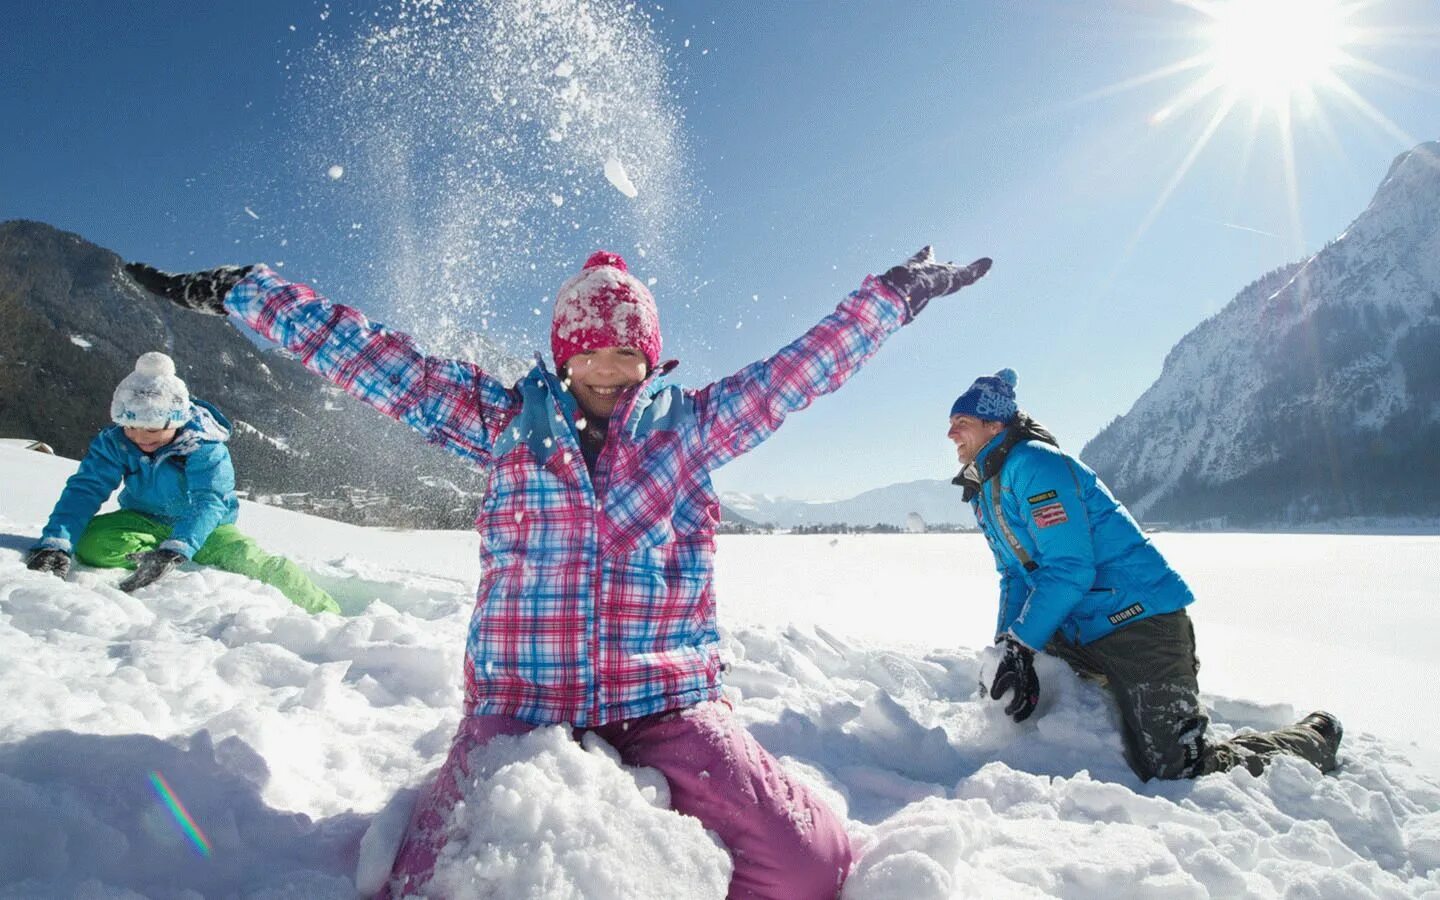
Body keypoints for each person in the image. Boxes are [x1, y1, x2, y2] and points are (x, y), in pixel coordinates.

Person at [125, 245, 992, 898]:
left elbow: (806, 368)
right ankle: (441, 799)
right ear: (562, 358)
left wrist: (895, 295)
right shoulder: (500, 421)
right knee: (427, 885)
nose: (610, 378)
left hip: (666, 706)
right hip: (522, 708)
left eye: (627, 360)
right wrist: (244, 291)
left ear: (652, 361)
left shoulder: (691, 428)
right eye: (591, 359)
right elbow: (369, 359)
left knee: (811, 868)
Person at [947, 368, 1342, 781]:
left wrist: (1023, 645)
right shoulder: (986, 489)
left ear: (994, 425)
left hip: (1140, 624)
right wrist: (1007, 651)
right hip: (1083, 630)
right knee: (1024, 673)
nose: (951, 435)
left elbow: (1070, 568)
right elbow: (1014, 577)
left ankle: (1313, 739)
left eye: (962, 424)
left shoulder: (1035, 466)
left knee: (1178, 768)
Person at [25, 352, 340, 615]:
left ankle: (327, 613)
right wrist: (56, 542)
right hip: (143, 519)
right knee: (92, 542)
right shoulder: (115, 442)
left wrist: (176, 549)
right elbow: (85, 489)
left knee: (256, 564)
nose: (137, 437)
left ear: (173, 421)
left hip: (208, 527)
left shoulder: (204, 447)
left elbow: (210, 501)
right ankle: (153, 553)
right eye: (130, 427)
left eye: (149, 430)